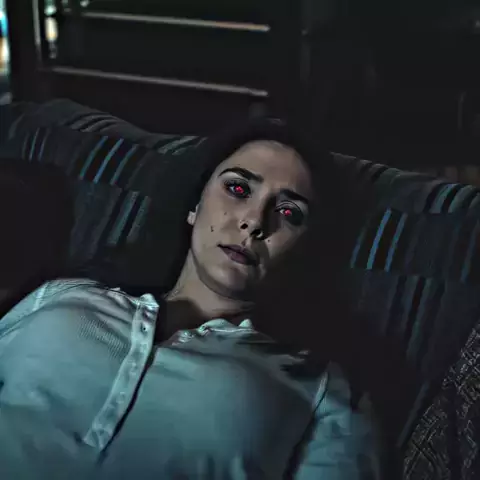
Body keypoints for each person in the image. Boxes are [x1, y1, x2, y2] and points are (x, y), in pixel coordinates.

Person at [0, 118, 381, 479]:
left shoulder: (316, 385)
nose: (254, 222)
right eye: (238, 189)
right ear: (194, 206)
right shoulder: (62, 296)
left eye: (288, 212)